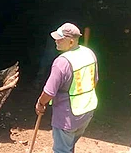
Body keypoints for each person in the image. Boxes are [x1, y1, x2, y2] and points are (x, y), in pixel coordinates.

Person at [35, 23, 98, 153]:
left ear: (70, 41)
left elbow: (49, 92)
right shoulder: (89, 53)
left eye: (60, 38)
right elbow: (95, 81)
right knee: (69, 146)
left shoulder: (62, 62)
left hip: (67, 115)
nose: (56, 41)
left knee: (62, 150)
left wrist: (40, 103)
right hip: (87, 111)